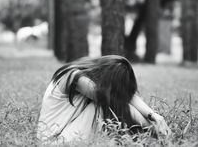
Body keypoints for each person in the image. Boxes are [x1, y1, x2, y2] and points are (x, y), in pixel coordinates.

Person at [37, 55, 171, 144]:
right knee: (102, 107)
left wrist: (154, 115)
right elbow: (118, 101)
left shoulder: (89, 70)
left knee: (109, 105)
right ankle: (155, 136)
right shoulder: (75, 77)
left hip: (66, 134)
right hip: (53, 142)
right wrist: (152, 129)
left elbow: (127, 95)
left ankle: (154, 135)